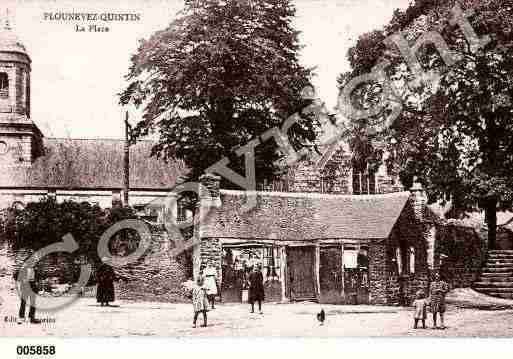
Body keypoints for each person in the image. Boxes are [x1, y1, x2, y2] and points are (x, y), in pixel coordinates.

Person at [14, 256, 41, 324]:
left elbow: (38, 277)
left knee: (33, 303)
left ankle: (32, 318)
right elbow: (16, 276)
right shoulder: (23, 269)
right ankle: (21, 318)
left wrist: (36, 283)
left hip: (33, 286)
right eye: (31, 262)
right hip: (25, 287)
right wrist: (22, 280)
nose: (33, 263)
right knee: (23, 303)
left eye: (33, 262)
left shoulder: (35, 269)